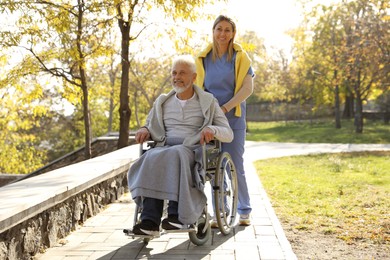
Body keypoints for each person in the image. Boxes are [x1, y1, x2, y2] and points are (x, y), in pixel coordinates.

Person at [127, 55, 233, 236]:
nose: (177, 77)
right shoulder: (162, 102)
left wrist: (212, 130)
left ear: (193, 77)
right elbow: (149, 124)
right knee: (150, 156)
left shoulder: (207, 101)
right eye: (174, 73)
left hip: (193, 149)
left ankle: (178, 216)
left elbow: (228, 133)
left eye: (182, 73)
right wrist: (144, 129)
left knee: (176, 154)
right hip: (164, 147)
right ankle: (149, 221)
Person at [195, 15, 255, 226]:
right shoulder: (202, 58)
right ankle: (220, 211)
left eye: (227, 30)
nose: (222, 33)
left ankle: (244, 209)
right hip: (210, 119)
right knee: (214, 167)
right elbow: (197, 89)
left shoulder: (240, 57)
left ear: (233, 34)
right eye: (219, 29)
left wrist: (226, 107)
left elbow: (247, 89)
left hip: (233, 117)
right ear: (213, 31)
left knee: (235, 165)